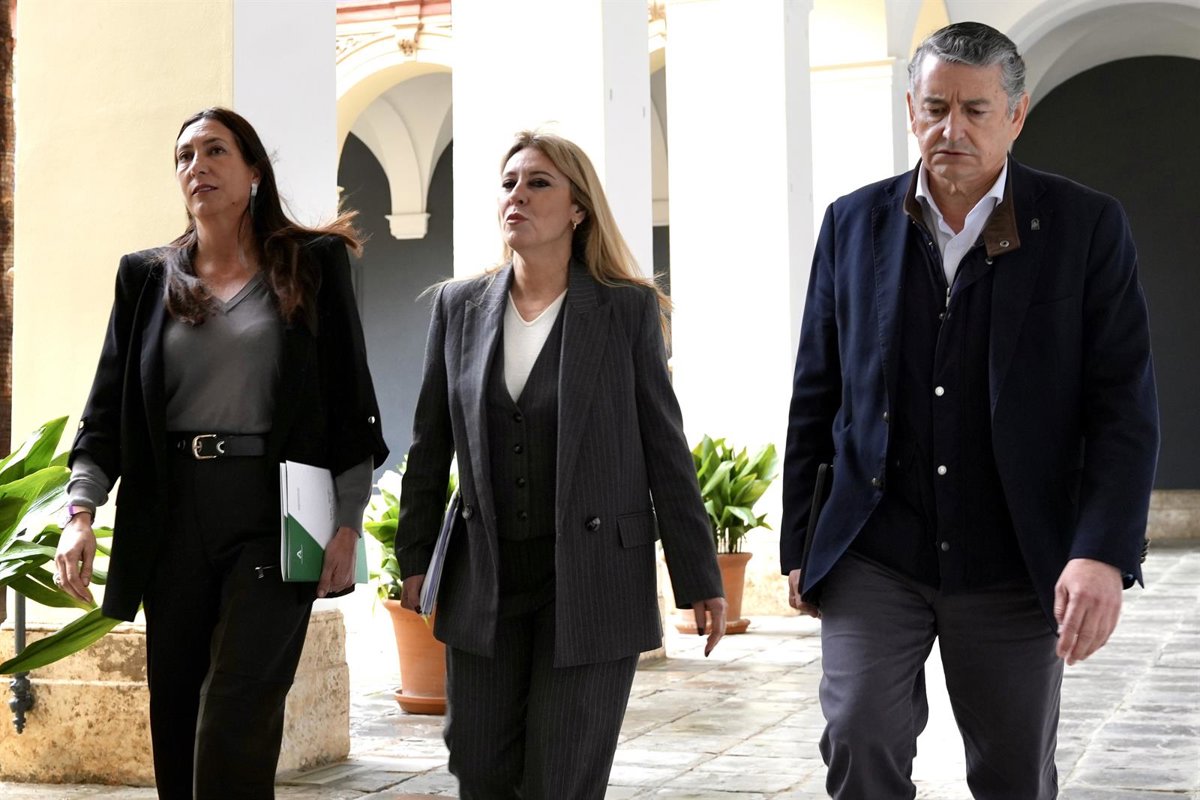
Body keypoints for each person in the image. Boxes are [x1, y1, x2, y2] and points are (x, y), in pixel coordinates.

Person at [780, 22, 1159, 800]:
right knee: (858, 735)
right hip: (875, 548)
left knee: (1014, 775)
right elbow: (817, 389)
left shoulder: (1086, 227)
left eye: (975, 110)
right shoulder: (852, 223)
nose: (951, 128)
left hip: (1014, 557)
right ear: (910, 110)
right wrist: (799, 542)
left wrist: (1101, 552)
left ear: (1016, 116)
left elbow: (1122, 406)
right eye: (935, 107)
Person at [53, 107, 388, 799]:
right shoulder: (145, 277)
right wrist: (79, 513)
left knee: (237, 707)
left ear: (253, 170)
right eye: (184, 156)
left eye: (215, 151)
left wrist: (347, 524)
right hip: (171, 516)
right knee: (177, 715)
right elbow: (107, 411)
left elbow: (349, 405)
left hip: (278, 514)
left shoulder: (312, 265)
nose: (196, 166)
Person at [395, 130, 727, 799]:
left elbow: (665, 448)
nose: (517, 195)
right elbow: (430, 445)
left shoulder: (625, 308)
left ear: (578, 208)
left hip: (594, 578)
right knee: (480, 772)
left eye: (539, 182)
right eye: (509, 183)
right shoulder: (459, 307)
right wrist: (415, 559)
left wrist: (699, 575)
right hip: (486, 578)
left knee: (561, 778)